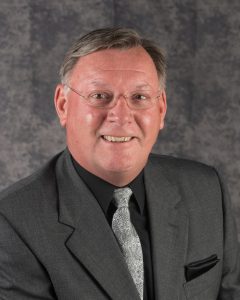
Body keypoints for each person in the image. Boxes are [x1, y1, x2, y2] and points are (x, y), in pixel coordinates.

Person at [0, 28, 239, 300]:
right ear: (63, 105)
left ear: (160, 109)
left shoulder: (206, 191)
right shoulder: (13, 223)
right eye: (100, 96)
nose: (122, 116)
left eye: (139, 97)